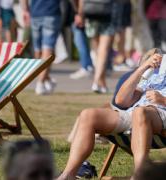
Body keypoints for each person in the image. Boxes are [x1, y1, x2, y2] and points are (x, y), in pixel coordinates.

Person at [57, 49, 166, 179]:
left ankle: (140, 175)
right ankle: (68, 175)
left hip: (160, 115)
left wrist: (162, 100)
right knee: (88, 115)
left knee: (140, 112)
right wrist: (143, 67)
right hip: (135, 114)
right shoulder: (159, 72)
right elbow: (121, 100)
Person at [21, 0, 61, 95]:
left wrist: (25, 10)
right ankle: (41, 83)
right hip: (51, 12)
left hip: (35, 13)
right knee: (47, 48)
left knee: (38, 50)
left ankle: (46, 79)